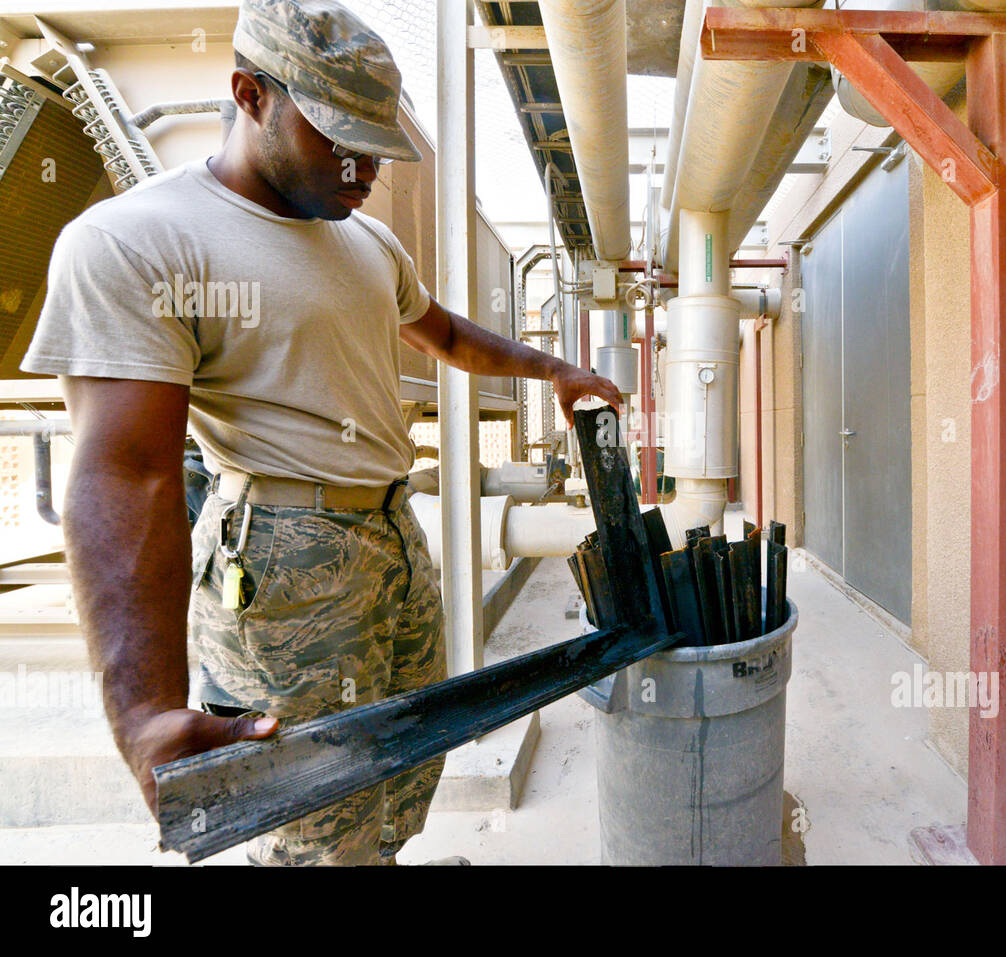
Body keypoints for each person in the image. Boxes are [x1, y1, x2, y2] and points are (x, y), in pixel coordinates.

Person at [20, 0, 621, 865]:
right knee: (313, 816)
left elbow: (446, 333)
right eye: (339, 134)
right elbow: (126, 474)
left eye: (378, 141)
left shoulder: (365, 239)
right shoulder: (140, 241)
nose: (365, 164)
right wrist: (145, 711)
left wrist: (552, 369)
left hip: (393, 534)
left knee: (403, 758)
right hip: (286, 558)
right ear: (249, 94)